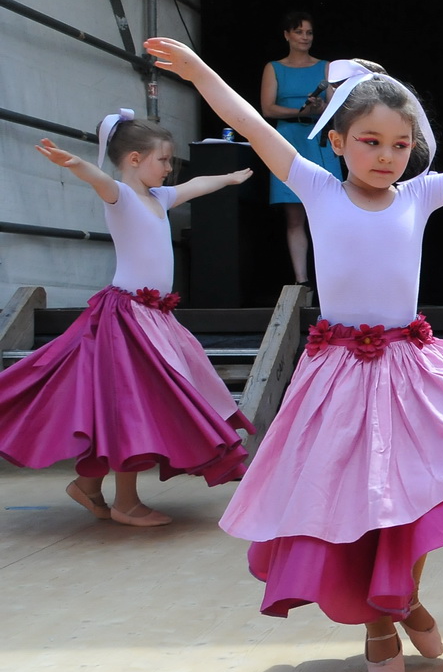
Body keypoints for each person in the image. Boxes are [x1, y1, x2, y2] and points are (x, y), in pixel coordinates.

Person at [143, 37, 443, 672]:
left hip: (410, 369)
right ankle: (380, 621)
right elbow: (251, 123)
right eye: (370, 141)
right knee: (357, 507)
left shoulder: (418, 196)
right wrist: (197, 71)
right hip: (338, 375)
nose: (387, 155)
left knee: (416, 500)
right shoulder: (312, 184)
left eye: (399, 143)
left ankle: (402, 598)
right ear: (335, 142)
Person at [0, 111, 253, 525]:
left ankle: (87, 486)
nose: (171, 169)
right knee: (131, 406)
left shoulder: (160, 198)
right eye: (164, 160)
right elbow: (96, 178)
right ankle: (125, 503)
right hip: (127, 319)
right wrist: (74, 163)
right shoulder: (120, 194)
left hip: (155, 318)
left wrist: (226, 179)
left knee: (137, 404)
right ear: (134, 159)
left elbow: (194, 186)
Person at [261, 10, 343, 287]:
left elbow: (336, 106)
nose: (305, 37)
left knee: (329, 212)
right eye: (299, 32)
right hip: (289, 140)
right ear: (287, 35)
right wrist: (298, 111)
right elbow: (267, 108)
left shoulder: (326, 67)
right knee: (294, 215)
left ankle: (331, 278)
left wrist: (319, 107)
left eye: (308, 32)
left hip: (320, 138)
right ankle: (301, 280)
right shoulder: (274, 67)